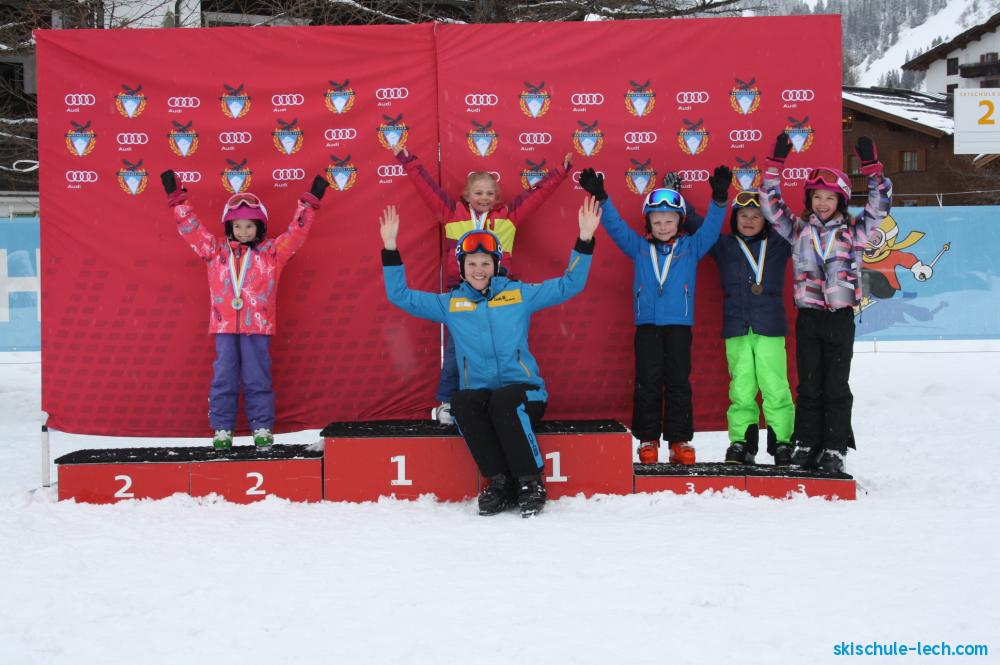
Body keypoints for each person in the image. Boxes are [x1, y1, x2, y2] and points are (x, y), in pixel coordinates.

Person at [379, 197, 600, 517]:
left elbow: (570, 285)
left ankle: (529, 481)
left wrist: (585, 239)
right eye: (471, 264)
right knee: (463, 402)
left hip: (525, 394)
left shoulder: (518, 294)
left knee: (504, 401)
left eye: (485, 263)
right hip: (484, 395)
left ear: (496, 265)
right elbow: (400, 296)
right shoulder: (451, 304)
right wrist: (390, 247)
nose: (478, 270)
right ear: (461, 268)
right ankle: (499, 482)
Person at [392, 145, 572, 425]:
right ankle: (448, 401)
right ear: (467, 195)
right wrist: (407, 160)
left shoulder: (508, 218)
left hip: (501, 292)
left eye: (489, 193)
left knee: (504, 345)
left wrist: (561, 171)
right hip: (461, 291)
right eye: (478, 193)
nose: (484, 198)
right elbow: (426, 187)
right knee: (457, 349)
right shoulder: (452, 214)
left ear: (496, 197)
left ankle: (503, 398)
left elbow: (538, 194)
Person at [160, 170, 327, 449]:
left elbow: (296, 235)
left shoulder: (272, 253)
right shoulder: (215, 252)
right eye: (237, 226)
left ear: (260, 227)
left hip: (258, 327)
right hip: (224, 326)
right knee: (223, 377)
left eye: (250, 226)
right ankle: (222, 428)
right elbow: (192, 230)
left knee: (257, 377)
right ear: (229, 227)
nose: (244, 231)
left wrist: (308, 206)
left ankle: (261, 425)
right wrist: (178, 201)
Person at [579, 166, 732, 465]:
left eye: (669, 221)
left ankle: (679, 441)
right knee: (647, 381)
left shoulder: (691, 247)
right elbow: (616, 227)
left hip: (679, 326)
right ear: (648, 222)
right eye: (657, 221)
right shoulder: (639, 247)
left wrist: (719, 199)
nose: (663, 227)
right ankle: (647, 440)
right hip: (647, 326)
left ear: (680, 222)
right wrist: (602, 197)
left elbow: (712, 229)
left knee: (678, 382)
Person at [759, 133, 892, 472]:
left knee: (835, 386)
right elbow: (770, 204)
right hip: (809, 317)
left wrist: (872, 168)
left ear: (841, 201)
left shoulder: (854, 231)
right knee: (808, 384)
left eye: (829, 198)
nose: (821, 203)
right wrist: (775, 164)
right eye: (816, 196)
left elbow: (879, 205)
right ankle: (807, 443)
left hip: (839, 318)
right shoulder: (798, 230)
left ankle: (834, 448)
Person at [696, 190, 795, 466]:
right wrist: (679, 195)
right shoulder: (723, 245)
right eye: (743, 216)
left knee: (775, 386)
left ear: (766, 220)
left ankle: (783, 442)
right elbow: (699, 225)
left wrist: (772, 194)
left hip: (770, 327)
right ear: (734, 219)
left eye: (756, 216)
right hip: (736, 328)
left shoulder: (779, 243)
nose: (749, 221)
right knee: (741, 388)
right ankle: (742, 443)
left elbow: (792, 223)